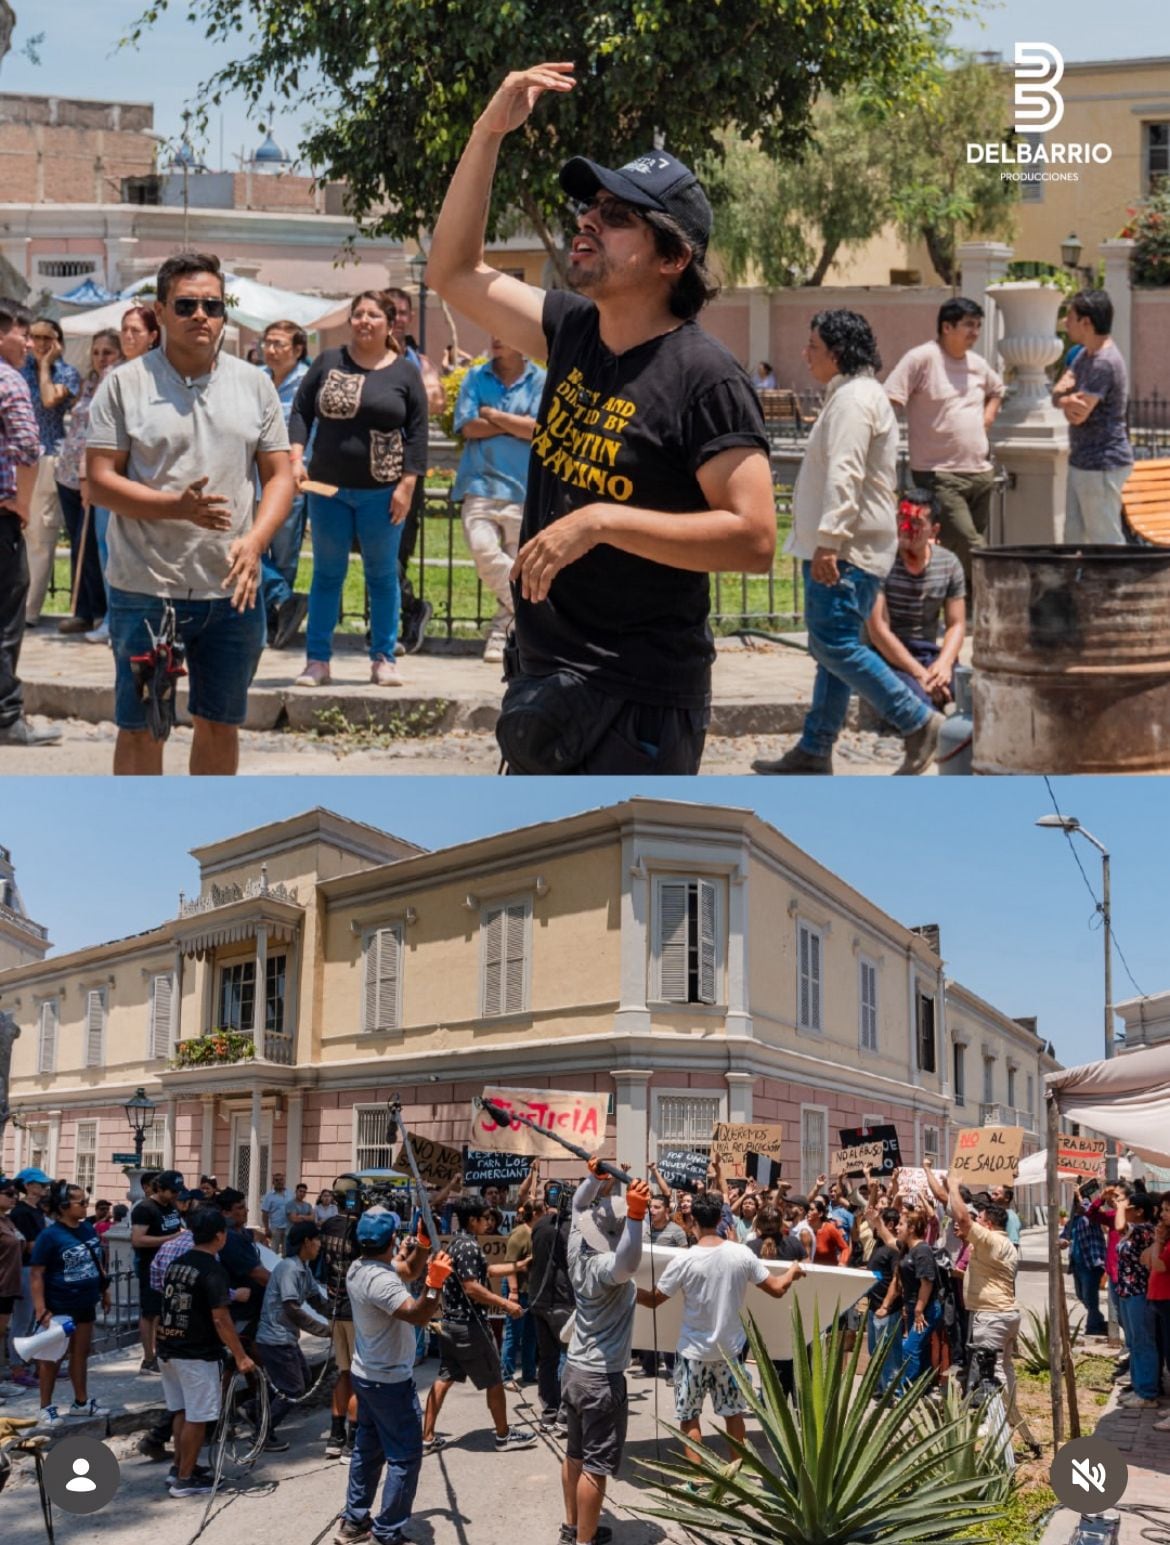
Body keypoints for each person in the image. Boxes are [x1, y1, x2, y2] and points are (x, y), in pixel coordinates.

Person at [427, 62, 775, 776]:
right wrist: (488, 133)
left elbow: (754, 537)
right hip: (543, 678)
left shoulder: (705, 376)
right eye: (590, 210)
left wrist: (601, 521)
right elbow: (453, 271)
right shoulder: (572, 331)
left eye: (617, 218)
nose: (588, 223)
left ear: (672, 257)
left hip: (640, 699)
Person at [86, 251, 294, 776]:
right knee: (141, 729)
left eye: (213, 305)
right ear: (160, 311)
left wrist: (255, 542)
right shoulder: (123, 384)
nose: (202, 315)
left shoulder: (255, 384)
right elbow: (100, 481)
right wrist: (174, 508)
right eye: (186, 305)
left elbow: (280, 476)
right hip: (145, 588)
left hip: (232, 591)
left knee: (221, 725)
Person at [753, 309, 942, 777]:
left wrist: (830, 542)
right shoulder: (855, 396)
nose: (805, 354)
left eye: (813, 346)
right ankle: (816, 748)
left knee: (835, 646)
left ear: (837, 353)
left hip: (847, 549)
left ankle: (916, 719)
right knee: (828, 649)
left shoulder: (854, 400)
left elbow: (846, 473)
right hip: (851, 546)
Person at [288, 291, 428, 688]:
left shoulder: (404, 372)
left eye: (372, 315)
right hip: (328, 487)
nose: (364, 321)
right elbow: (301, 410)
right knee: (327, 575)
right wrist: (295, 457)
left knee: (382, 575)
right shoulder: (329, 362)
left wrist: (406, 484)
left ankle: (383, 657)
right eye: (358, 314)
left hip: (382, 491)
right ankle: (317, 661)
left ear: (388, 323)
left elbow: (417, 434)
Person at [640, 1191, 803, 1468]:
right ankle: (736, 1475)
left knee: (690, 1416)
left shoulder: (684, 1260)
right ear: (719, 1219)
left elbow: (655, 1300)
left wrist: (626, 1290)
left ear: (692, 1220)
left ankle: (700, 1481)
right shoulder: (741, 1254)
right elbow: (777, 1289)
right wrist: (793, 1271)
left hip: (693, 1351)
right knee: (733, 1413)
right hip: (730, 1351)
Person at [334, 1211, 451, 1545]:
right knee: (404, 1456)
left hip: (367, 1375)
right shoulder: (380, 1280)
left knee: (367, 1450)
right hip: (388, 1381)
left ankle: (355, 1521)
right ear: (391, 1241)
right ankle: (387, 1533)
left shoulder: (361, 1267)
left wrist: (425, 1246)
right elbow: (418, 1314)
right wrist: (434, 1285)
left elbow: (409, 1269)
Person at [882, 297, 1005, 595]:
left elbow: (998, 389)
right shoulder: (921, 358)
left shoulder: (977, 364)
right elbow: (891, 398)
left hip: (980, 473)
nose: (975, 332)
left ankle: (967, 609)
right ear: (946, 327)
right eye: (968, 325)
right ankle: (997, 598)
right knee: (972, 544)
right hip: (939, 473)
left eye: (978, 325)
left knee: (960, 548)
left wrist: (987, 416)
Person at [557, 1167, 651, 1545]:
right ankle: (584, 1540)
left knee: (575, 1454)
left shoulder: (576, 1248)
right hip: (600, 1378)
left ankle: (571, 1526)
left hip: (575, 1369)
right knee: (595, 1467)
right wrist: (637, 1216)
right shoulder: (605, 1268)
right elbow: (628, 1263)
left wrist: (594, 1180)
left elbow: (578, 1204)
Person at [452, 339, 546, 663]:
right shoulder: (475, 377)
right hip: (480, 482)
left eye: (506, 333)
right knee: (483, 551)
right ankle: (534, 611)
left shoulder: (541, 381)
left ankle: (500, 635)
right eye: (492, 332)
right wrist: (513, 424)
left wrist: (492, 414)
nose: (495, 338)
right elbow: (468, 427)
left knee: (517, 561)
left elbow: (538, 429)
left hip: (524, 486)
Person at [420, 1196, 534, 1453]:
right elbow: (472, 1287)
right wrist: (506, 1304)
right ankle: (504, 1436)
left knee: (443, 1378)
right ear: (473, 1220)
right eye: (485, 1218)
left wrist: (519, 1265)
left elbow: (487, 1272)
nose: (489, 1222)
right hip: (470, 1328)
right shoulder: (469, 1247)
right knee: (494, 1379)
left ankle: (426, 1438)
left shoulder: (457, 1244)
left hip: (451, 1324)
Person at [157, 1205, 256, 1498]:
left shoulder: (178, 1263)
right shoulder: (213, 1269)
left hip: (169, 1347)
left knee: (181, 1410)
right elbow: (220, 1318)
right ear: (220, 1236)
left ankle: (179, 1466)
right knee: (197, 1416)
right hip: (195, 1353)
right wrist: (240, 1354)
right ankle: (185, 1479)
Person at [941, 1168, 1040, 1454]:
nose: (975, 1221)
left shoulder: (992, 1240)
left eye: (980, 1219)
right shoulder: (1002, 1244)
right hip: (1005, 1314)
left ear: (990, 1224)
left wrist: (953, 1186)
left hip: (993, 1317)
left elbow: (961, 1218)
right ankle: (1008, 1416)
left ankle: (996, 1424)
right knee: (1003, 1370)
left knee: (990, 1373)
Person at [85, 305, 163, 647]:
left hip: (140, 477)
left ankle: (149, 619)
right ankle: (113, 617)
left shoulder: (158, 375)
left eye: (136, 331)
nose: (128, 337)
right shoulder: (111, 375)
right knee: (107, 548)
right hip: (107, 476)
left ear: (153, 336)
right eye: (125, 330)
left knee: (143, 549)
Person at [0, 299, 58, 747]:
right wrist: (21, 505)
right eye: (24, 334)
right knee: (4, 620)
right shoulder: (10, 380)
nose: (28, 343)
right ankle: (6, 719)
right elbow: (26, 446)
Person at [867, 487, 966, 711]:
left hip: (929, 651)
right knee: (916, 700)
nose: (906, 529)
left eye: (917, 523)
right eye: (901, 519)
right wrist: (919, 673)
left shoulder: (949, 563)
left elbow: (957, 623)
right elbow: (878, 629)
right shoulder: (881, 562)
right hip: (888, 654)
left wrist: (944, 663)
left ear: (934, 530)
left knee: (966, 694)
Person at [383, 286, 442, 657]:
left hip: (405, 468)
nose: (398, 318)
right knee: (369, 548)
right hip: (364, 470)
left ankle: (398, 622)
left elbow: (435, 401)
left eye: (403, 312)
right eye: (391, 311)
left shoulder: (418, 362)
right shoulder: (360, 358)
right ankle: (408, 609)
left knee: (397, 551)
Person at [52, 329, 122, 637]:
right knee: (80, 542)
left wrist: (87, 476)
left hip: (90, 474)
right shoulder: (88, 382)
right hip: (67, 471)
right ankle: (83, 610)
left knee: (89, 543)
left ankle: (99, 611)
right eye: (96, 352)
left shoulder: (114, 380)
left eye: (107, 351)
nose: (101, 357)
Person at [1052, 288, 1134, 543]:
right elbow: (1058, 392)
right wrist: (1064, 400)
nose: (1066, 322)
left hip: (1102, 464)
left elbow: (1078, 415)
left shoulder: (1103, 362)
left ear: (1086, 322)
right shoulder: (1083, 356)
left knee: (1104, 540)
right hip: (1082, 462)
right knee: (1073, 539)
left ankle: (1114, 584)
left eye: (1071, 316)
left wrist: (1063, 400)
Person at [28, 1181, 111, 1426]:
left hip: (85, 1302)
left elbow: (98, 1261)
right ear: (64, 1206)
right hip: (58, 1304)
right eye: (81, 1202)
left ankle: (81, 1402)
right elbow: (36, 1273)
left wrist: (104, 1291)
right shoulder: (50, 1236)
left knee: (80, 1353)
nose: (87, 1206)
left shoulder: (87, 1229)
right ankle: (45, 1406)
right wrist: (41, 1307)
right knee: (52, 1357)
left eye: (87, 1201)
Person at [21, 316, 80, 626]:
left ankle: (29, 611)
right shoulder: (16, 371)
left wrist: (45, 366)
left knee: (40, 537)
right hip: (17, 459)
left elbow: (48, 400)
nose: (40, 344)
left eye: (47, 338)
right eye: (35, 337)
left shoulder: (67, 373)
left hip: (48, 457)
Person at [257, 320, 312, 649]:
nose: (271, 350)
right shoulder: (256, 379)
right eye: (268, 343)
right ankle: (283, 599)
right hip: (254, 478)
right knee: (248, 544)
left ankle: (274, 620)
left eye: (279, 344)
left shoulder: (308, 383)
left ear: (297, 349)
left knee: (284, 555)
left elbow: (312, 431)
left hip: (290, 480)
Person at [253, 1218, 331, 1446]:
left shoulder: (303, 1269)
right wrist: (323, 1331)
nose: (319, 1245)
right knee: (293, 1388)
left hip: (285, 1337)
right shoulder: (289, 1269)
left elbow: (317, 1301)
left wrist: (341, 1316)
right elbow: (292, 1309)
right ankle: (263, 1433)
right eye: (317, 1240)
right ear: (307, 1241)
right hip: (275, 1338)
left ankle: (253, 1409)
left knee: (302, 1378)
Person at [528, 1180, 574, 1430]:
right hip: (563, 1301)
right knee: (567, 1356)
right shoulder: (572, 1228)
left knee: (547, 1359)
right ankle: (565, 1413)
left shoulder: (539, 1225)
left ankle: (549, 1411)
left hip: (539, 1301)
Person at [131, 1169, 185, 1372]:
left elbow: (175, 1228)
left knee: (167, 1311)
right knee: (150, 1312)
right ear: (159, 1188)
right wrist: (171, 1239)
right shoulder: (144, 1209)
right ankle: (148, 1357)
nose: (176, 1195)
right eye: (172, 1191)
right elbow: (138, 1239)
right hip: (152, 1267)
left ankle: (164, 1350)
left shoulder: (171, 1206)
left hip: (172, 1266)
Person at [1115, 1192, 1159, 1410]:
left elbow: (1119, 1227)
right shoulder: (1136, 1231)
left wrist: (1120, 1208)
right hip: (1127, 1291)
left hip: (1139, 1292)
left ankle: (1147, 1392)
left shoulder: (1145, 1230)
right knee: (1134, 1342)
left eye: (1129, 1207)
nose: (1125, 1210)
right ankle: (1138, 1385)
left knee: (1143, 1342)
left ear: (1140, 1211)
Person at [893, 1208, 940, 1392]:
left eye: (901, 1224)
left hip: (926, 1309)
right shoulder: (908, 1249)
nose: (897, 1228)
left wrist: (919, 1309)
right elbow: (889, 1240)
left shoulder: (922, 1251)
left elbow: (927, 1282)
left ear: (911, 1228)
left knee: (910, 1348)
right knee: (921, 1348)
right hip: (914, 1307)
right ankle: (922, 1387)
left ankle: (903, 1389)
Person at [862, 1205, 903, 1396]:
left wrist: (886, 1305)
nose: (873, 1226)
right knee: (875, 1351)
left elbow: (897, 1278)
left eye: (878, 1222)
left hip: (886, 1310)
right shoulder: (879, 1244)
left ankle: (893, 1392)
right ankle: (880, 1385)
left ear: (890, 1224)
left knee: (888, 1353)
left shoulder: (894, 1249)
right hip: (874, 1308)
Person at [1063, 1186, 1108, 1337]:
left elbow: (1090, 1210)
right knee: (1081, 1295)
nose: (1077, 1207)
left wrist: (1080, 1196)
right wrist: (1062, 1241)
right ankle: (1099, 1320)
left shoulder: (1090, 1218)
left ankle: (1093, 1326)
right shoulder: (1073, 1221)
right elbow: (1064, 1236)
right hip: (1077, 1264)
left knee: (1090, 1296)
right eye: (1075, 1204)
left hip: (1092, 1263)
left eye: (1079, 1204)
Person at [500, 1198, 537, 1386]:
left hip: (532, 1292)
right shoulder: (519, 1234)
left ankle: (529, 1373)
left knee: (531, 1335)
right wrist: (513, 1292)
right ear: (536, 1214)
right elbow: (509, 1264)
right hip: (518, 1291)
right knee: (513, 1335)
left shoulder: (536, 1233)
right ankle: (506, 1376)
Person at [0, 1176, 25, 1398]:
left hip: (8, 1287)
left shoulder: (8, 1221)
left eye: (15, 1194)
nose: (14, 1197)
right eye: (8, 1194)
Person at [261, 1173, 294, 1255]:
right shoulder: (269, 1196)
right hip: (276, 1228)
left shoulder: (291, 1194)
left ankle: (286, 1267)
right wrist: (266, 1228)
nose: (279, 1182)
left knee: (287, 1251)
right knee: (273, 1251)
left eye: (281, 1180)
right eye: (276, 1180)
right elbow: (265, 1213)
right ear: (273, 1182)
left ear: (284, 1181)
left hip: (288, 1227)